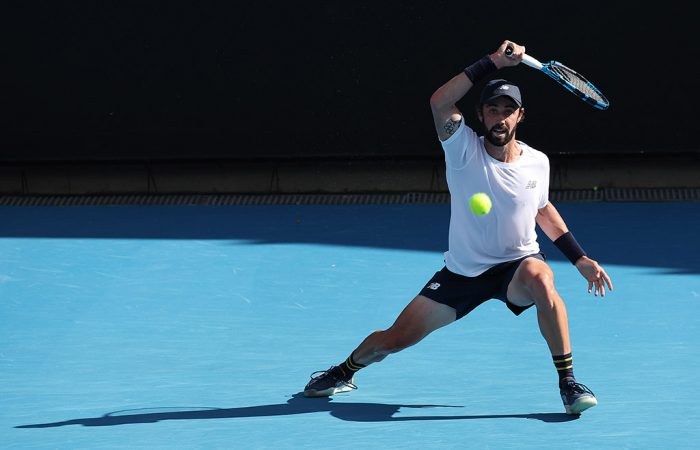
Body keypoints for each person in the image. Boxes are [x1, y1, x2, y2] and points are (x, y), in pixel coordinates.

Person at [302, 40, 613, 415]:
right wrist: (494, 62)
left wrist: (579, 258)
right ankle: (344, 371)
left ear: (520, 117)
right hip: (462, 274)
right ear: (480, 114)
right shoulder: (461, 147)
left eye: (508, 111)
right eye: (493, 109)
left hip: (517, 265)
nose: (500, 118)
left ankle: (568, 383)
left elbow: (543, 210)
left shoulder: (538, 162)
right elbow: (439, 102)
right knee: (394, 340)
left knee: (542, 279)